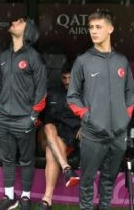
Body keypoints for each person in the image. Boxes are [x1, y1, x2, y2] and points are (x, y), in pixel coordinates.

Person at [67, 10, 134, 210]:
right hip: (93, 133)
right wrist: (89, 118)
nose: (93, 31)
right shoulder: (83, 61)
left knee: (108, 179)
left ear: (110, 29)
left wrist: (124, 118)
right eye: (91, 28)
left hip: (118, 134)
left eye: (98, 27)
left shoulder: (122, 61)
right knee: (87, 180)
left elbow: (130, 92)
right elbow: (72, 96)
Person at [0, 16, 47, 210]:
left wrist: (33, 117)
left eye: (21, 21)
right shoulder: (4, 56)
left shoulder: (34, 57)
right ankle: (9, 196)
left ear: (29, 30)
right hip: (2, 119)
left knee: (26, 160)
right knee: (7, 159)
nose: (14, 22)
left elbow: (42, 90)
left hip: (24, 119)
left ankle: (25, 197)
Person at [37, 66, 81, 210]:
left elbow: (89, 115)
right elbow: (39, 113)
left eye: (70, 78)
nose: (67, 81)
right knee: (49, 127)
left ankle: (47, 199)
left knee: (52, 152)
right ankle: (66, 168)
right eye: (64, 78)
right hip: (47, 133)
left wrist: (85, 127)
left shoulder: (82, 94)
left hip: (66, 136)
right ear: (61, 77)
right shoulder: (52, 92)